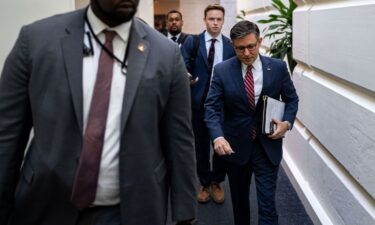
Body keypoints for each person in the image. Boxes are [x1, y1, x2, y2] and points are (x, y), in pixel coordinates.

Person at [0, 0, 197, 225]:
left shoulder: (167, 54)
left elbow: (180, 140)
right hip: (46, 205)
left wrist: (185, 215)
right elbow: (6, 136)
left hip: (132, 210)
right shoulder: (35, 40)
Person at [204, 20, 299, 225]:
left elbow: (292, 99)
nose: (246, 53)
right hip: (235, 147)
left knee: (267, 204)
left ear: (260, 41)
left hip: (268, 146)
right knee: (240, 203)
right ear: (233, 46)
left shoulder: (278, 67)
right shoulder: (222, 70)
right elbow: (211, 107)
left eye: (251, 46)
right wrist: (218, 137)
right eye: (240, 48)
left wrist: (287, 123)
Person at [181, 4, 235, 204]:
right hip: (198, 103)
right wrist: (186, 75)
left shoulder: (230, 46)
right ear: (205, 20)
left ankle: (217, 181)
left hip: (223, 104)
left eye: (218, 19)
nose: (215, 23)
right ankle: (204, 182)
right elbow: (182, 64)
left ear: (223, 21)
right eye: (211, 19)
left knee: (220, 144)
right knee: (201, 147)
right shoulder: (192, 42)